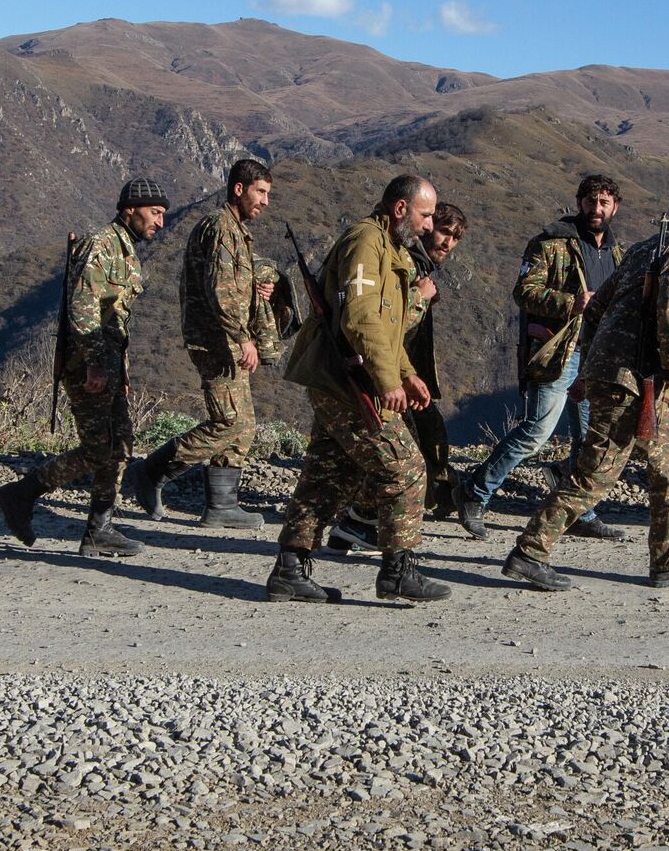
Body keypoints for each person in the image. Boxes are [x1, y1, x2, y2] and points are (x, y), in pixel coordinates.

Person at [502, 181, 669, 592]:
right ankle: (529, 553)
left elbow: (598, 305)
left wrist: (590, 364)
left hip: (620, 374)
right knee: (596, 473)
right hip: (634, 379)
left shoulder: (642, 248)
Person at [267, 175, 452, 605]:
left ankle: (290, 570)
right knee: (405, 468)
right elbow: (362, 319)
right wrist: (388, 382)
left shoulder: (390, 249)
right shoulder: (366, 243)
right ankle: (397, 571)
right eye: (425, 215)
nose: (429, 225)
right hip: (348, 382)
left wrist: (407, 373)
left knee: (327, 477)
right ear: (401, 208)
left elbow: (387, 328)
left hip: (343, 380)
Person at [0, 180, 167, 557]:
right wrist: (94, 365)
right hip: (88, 366)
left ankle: (99, 529)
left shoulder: (126, 252)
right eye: (154, 213)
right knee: (97, 449)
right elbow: (84, 311)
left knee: (119, 447)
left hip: (107, 364)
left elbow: (115, 319)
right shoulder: (100, 247)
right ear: (129, 211)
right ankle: (21, 493)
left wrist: (118, 367)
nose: (160, 221)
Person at [454, 174, 627, 542]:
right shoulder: (551, 244)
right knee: (536, 431)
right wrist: (571, 303)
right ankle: (474, 492)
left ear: (615, 207)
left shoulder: (616, 253)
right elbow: (524, 292)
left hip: (594, 357)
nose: (596, 209)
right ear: (579, 202)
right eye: (590, 201)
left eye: (604, 203)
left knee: (588, 438)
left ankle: (580, 510)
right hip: (557, 353)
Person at [133, 159, 273, 528]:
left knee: (242, 424)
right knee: (228, 422)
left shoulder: (234, 231)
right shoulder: (221, 228)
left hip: (224, 340)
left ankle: (222, 505)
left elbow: (236, 279)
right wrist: (242, 337)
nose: (265, 202)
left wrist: (262, 284)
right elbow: (221, 290)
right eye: (260, 192)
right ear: (239, 189)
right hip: (217, 341)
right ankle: (150, 473)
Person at [330, 202, 468, 551]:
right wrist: (420, 300)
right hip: (379, 375)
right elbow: (386, 323)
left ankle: (353, 524)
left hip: (398, 372)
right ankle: (394, 552)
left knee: (420, 442)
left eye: (455, 238)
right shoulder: (402, 260)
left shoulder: (417, 263)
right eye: (441, 231)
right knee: (404, 458)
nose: (448, 243)